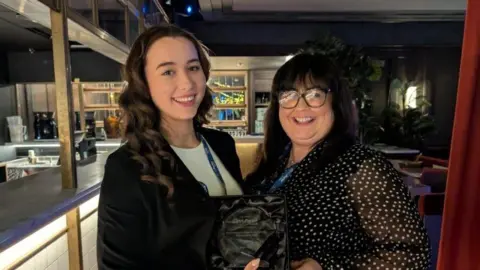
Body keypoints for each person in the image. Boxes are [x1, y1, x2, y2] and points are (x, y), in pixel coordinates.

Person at [244, 53, 431, 270]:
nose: (300, 106)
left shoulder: (363, 167)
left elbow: (412, 256)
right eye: (289, 94)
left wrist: (326, 267)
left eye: (315, 94)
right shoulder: (273, 163)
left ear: (335, 103)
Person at [96, 24, 244, 269]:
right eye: (168, 72)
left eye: (193, 67)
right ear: (144, 83)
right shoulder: (127, 167)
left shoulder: (222, 145)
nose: (186, 82)